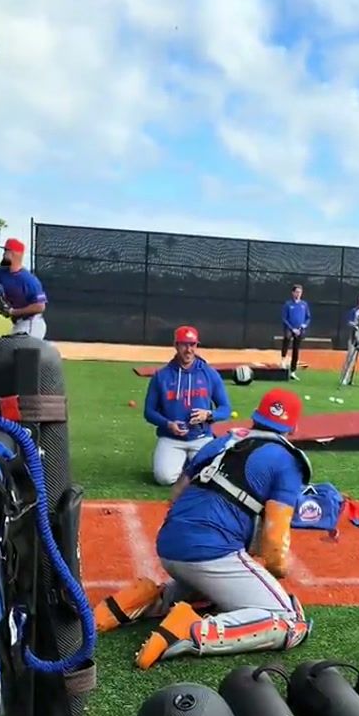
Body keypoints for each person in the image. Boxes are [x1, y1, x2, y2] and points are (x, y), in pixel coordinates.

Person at [94, 387, 312, 669]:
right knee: (290, 620)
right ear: (293, 427)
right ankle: (190, 630)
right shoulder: (287, 461)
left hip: (170, 545)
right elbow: (275, 545)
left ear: (256, 416)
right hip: (211, 550)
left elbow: (176, 493)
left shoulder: (223, 441)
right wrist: (274, 569)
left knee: (210, 593)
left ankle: (143, 600)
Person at [144, 325, 232, 486]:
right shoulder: (161, 376)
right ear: (176, 345)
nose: (188, 350)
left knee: (211, 478)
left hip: (201, 437)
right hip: (171, 438)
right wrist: (167, 424)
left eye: (192, 345)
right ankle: (185, 463)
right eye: (184, 345)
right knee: (164, 478)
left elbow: (226, 409)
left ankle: (188, 464)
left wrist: (208, 415)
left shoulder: (209, 374)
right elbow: (149, 412)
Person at [0, 237, 48, 339]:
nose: (3, 254)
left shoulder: (29, 280)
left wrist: (13, 312)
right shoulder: (2, 272)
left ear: (13, 254)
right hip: (19, 324)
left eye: (6, 251)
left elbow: (40, 306)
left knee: (18, 348)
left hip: (32, 324)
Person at [280, 284, 311, 380]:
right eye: (296, 292)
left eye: (300, 292)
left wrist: (304, 325)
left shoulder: (304, 304)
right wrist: (292, 328)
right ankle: (283, 359)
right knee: (287, 338)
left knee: (296, 349)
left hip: (300, 330)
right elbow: (284, 318)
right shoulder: (288, 304)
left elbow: (308, 317)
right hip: (290, 328)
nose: (298, 294)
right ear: (293, 293)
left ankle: (293, 371)